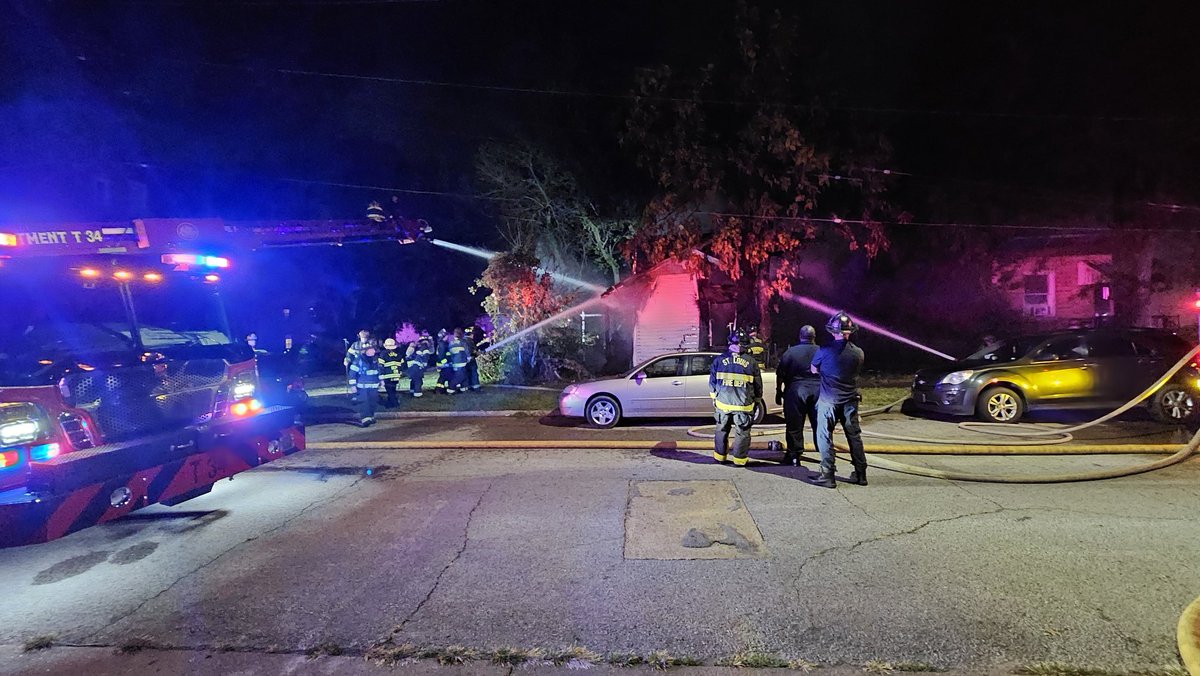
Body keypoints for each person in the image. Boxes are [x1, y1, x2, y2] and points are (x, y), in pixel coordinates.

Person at [809, 311, 867, 488]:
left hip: (829, 401)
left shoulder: (824, 350)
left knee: (825, 435)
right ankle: (861, 473)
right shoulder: (858, 353)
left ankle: (828, 474)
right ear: (849, 332)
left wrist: (825, 373)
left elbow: (813, 369)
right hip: (850, 401)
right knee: (854, 436)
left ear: (832, 331)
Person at [709, 330, 763, 467]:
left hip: (723, 404)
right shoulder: (751, 362)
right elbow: (758, 385)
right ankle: (739, 460)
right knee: (742, 432)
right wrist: (757, 401)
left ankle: (720, 457)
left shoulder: (719, 360)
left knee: (721, 430)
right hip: (743, 405)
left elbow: (712, 383)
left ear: (729, 342)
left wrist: (714, 399)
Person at [775, 324, 821, 466]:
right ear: (814, 337)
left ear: (800, 336)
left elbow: (780, 374)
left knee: (794, 425)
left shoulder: (791, 352)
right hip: (819, 390)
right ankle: (826, 456)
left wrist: (779, 391)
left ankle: (794, 456)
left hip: (796, 390)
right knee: (820, 425)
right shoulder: (822, 351)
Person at [348, 344, 382, 426]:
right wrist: (353, 385)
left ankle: (371, 416)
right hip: (362, 386)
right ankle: (365, 418)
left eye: (373, 350)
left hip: (373, 385)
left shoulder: (375, 360)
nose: (372, 351)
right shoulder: (358, 360)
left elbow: (380, 371)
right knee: (364, 402)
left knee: (373, 401)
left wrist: (382, 380)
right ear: (365, 351)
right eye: (370, 350)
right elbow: (352, 373)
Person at [379, 338, 405, 407]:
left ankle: (394, 404)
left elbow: (380, 366)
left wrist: (381, 378)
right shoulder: (398, 354)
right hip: (396, 376)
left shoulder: (383, 354)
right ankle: (390, 403)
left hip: (387, 376)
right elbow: (402, 365)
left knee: (390, 391)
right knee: (393, 390)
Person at [447, 328, 470, 393]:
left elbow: (450, 353)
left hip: (455, 362)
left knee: (464, 375)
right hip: (462, 361)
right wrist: (469, 358)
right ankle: (451, 389)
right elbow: (466, 350)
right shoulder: (462, 342)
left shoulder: (451, 343)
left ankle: (464, 389)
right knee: (460, 376)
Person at [433, 328, 452, 393]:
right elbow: (441, 356)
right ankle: (439, 390)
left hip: (443, 364)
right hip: (444, 364)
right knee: (443, 377)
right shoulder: (442, 344)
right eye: (447, 335)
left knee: (443, 376)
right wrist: (446, 362)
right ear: (444, 336)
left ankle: (440, 389)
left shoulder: (442, 343)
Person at [464, 326, 482, 391]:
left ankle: (469, 386)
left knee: (468, 373)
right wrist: (478, 353)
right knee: (474, 373)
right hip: (471, 359)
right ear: (471, 334)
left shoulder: (463, 340)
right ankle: (476, 387)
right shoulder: (470, 341)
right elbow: (473, 351)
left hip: (464, 360)